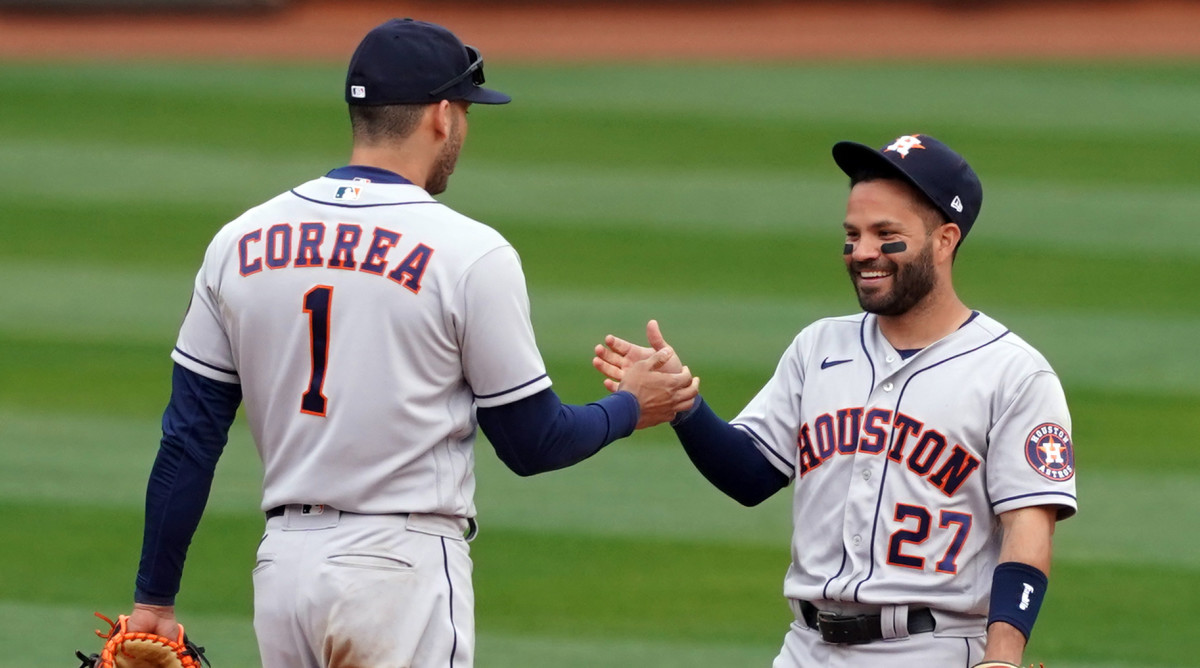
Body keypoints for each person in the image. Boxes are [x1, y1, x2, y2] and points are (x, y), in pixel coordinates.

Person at [124, 18, 698, 668]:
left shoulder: (239, 241)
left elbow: (189, 438)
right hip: (398, 574)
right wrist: (632, 404)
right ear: (441, 116)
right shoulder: (470, 252)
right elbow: (534, 443)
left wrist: (154, 603)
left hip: (283, 576)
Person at [594, 134, 1077, 667]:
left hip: (932, 650)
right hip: (806, 649)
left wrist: (1003, 657)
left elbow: (1029, 531)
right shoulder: (819, 346)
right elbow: (750, 476)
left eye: (885, 234)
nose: (863, 252)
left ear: (945, 240)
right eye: (853, 234)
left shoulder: (1014, 373)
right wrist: (685, 405)